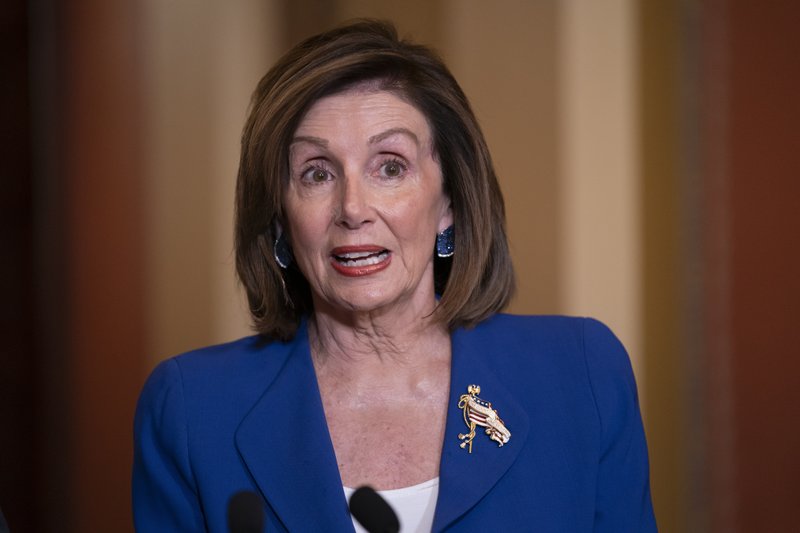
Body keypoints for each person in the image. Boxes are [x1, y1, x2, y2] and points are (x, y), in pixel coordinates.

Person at [133, 20, 657, 532]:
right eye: (316, 173)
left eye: (390, 167)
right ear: (280, 217)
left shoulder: (581, 374)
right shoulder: (191, 411)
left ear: (448, 201)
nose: (353, 208)